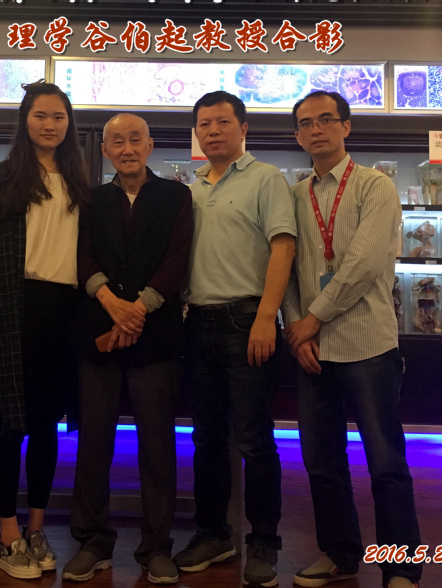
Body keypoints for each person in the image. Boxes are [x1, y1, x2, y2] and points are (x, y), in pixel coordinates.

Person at [282, 90, 422, 588]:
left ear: (346, 126)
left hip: (368, 346)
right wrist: (297, 331)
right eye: (305, 123)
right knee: (321, 462)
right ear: (297, 136)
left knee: (385, 462)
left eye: (325, 119)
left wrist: (312, 319)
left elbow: (363, 265)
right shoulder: (294, 195)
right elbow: (285, 269)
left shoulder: (375, 186)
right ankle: (340, 555)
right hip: (312, 350)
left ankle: (401, 567)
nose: (315, 129)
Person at [63, 114, 193, 585]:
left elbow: (178, 260)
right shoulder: (91, 199)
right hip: (97, 333)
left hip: (154, 336)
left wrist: (138, 309)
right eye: (117, 141)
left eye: (135, 139)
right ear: (105, 151)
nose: (127, 148)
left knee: (157, 444)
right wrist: (112, 304)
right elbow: (82, 256)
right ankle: (92, 541)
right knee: (93, 442)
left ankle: (156, 547)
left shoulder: (176, 196)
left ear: (150, 144)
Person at [174, 91, 296, 588]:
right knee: (206, 439)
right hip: (197, 324)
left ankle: (264, 541)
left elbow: (283, 247)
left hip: (249, 322)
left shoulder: (266, 178)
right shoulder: (192, 188)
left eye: (223, 122)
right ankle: (213, 534)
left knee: (254, 439)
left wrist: (268, 316)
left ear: (243, 128)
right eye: (204, 124)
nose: (213, 131)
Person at [0, 81, 89, 580]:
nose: (50, 124)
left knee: (46, 425)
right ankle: (7, 534)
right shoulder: (5, 175)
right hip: (14, 305)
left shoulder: (80, 179)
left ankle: (37, 528)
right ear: (25, 121)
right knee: (10, 423)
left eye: (58, 116)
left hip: (64, 311)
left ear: (69, 124)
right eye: (41, 115)